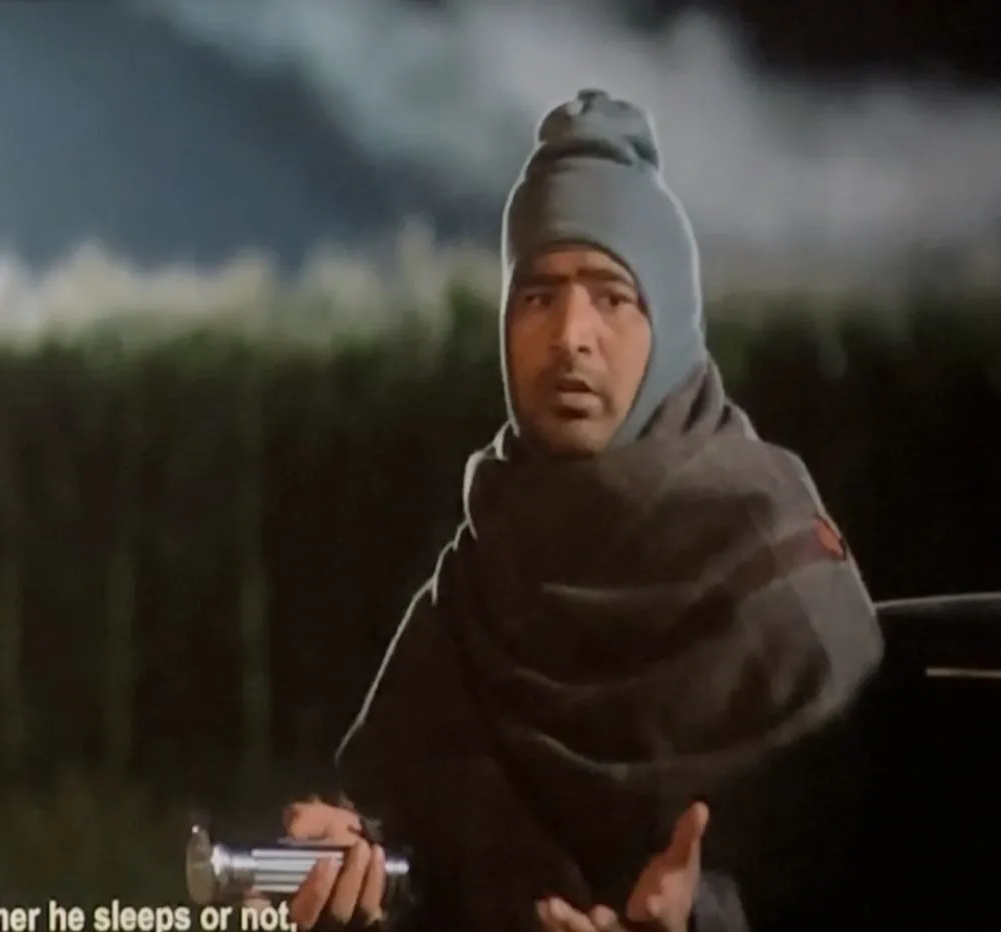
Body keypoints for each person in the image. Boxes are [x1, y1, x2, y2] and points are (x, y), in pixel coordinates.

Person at [268, 90, 883, 931]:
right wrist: (345, 858)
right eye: (537, 296)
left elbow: (882, 872)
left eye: (611, 295)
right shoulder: (483, 575)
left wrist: (699, 919)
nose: (569, 336)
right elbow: (402, 838)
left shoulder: (778, 579)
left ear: (671, 328)